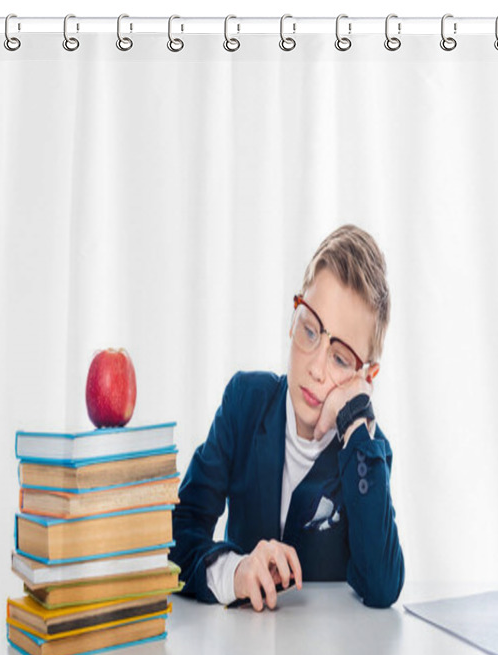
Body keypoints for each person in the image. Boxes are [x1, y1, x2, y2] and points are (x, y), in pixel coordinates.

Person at [172, 224, 404, 610]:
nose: (316, 367)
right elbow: (177, 535)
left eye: (341, 358)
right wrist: (235, 571)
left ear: (366, 379)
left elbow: (382, 585)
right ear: (293, 319)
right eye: (310, 331)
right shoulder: (245, 404)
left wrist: (356, 423)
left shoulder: (366, 456)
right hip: (243, 647)